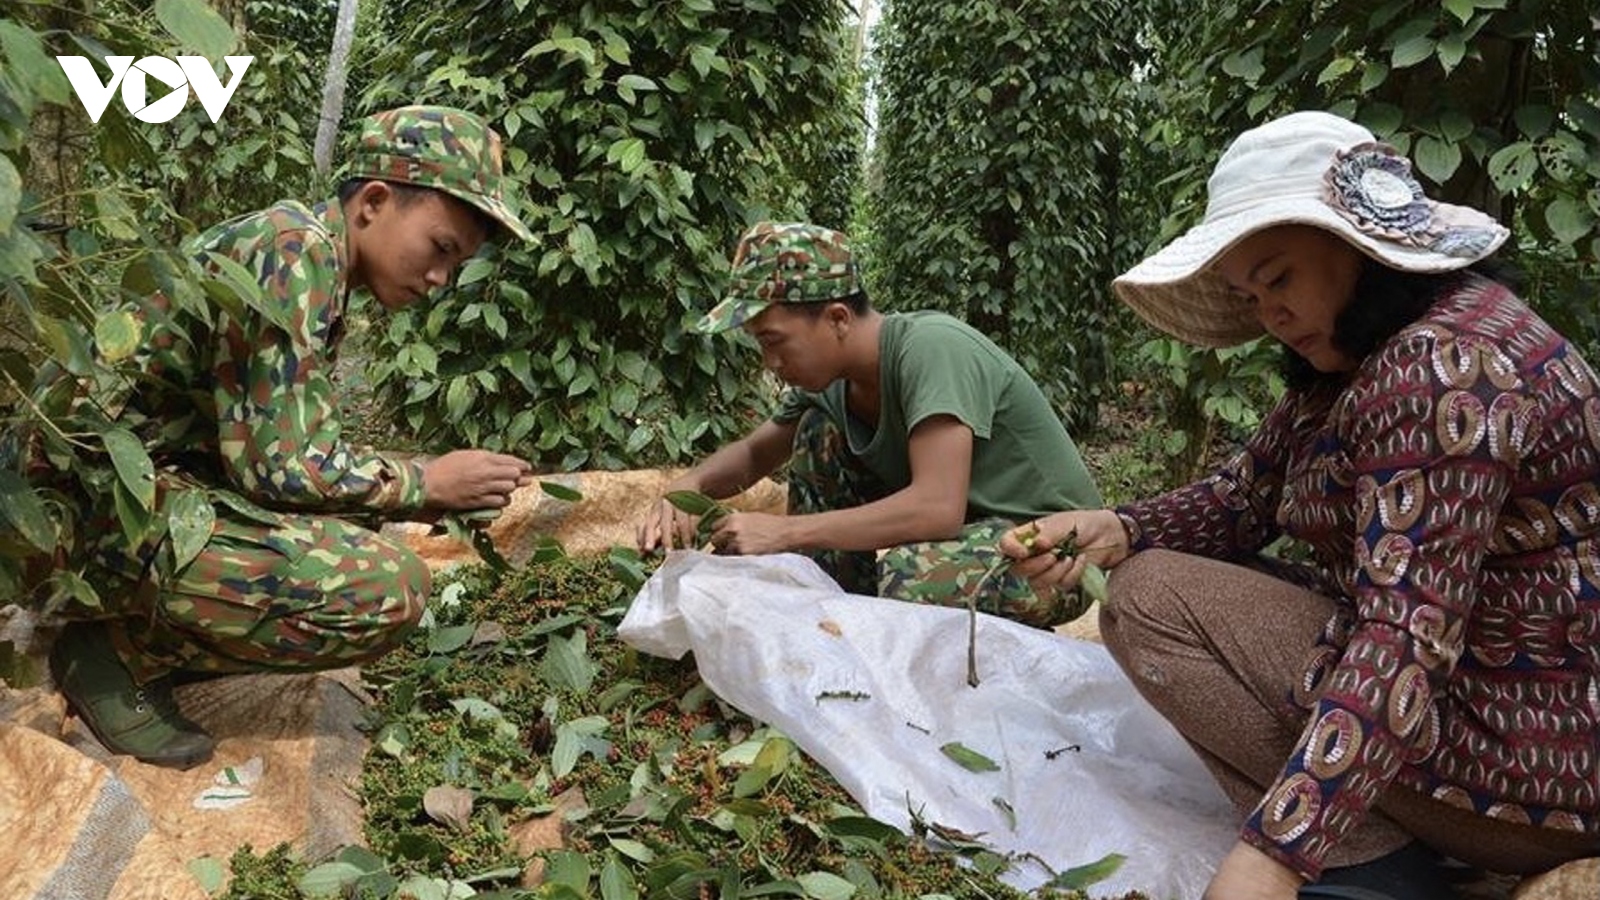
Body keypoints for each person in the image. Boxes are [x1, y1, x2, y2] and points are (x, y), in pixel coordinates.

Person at [1000, 110, 1600, 899]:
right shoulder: (1357, 359)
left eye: (1279, 278)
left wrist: (1277, 853)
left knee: (1150, 603)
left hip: (1538, 768)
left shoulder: (1439, 369)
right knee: (1149, 569)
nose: (1270, 315)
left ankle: (1374, 868)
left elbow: (1408, 636)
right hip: (1513, 727)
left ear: (1362, 250)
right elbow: (1243, 500)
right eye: (1250, 297)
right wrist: (1119, 527)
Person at [40, 105, 537, 769]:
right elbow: (284, 468)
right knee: (388, 589)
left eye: (457, 263)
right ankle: (117, 653)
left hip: (120, 485)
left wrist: (398, 494)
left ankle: (148, 626)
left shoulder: (308, 250)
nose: (441, 279)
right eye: (441, 248)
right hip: (72, 506)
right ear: (375, 201)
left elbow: (272, 447)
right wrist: (425, 482)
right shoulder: (296, 251)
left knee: (350, 532)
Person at [636, 220, 1103, 625]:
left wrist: (784, 532)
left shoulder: (932, 349)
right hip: (970, 535)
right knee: (815, 435)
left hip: (1050, 550)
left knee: (913, 574)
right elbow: (756, 453)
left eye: (776, 341)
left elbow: (937, 508)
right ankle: (838, 620)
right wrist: (684, 490)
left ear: (837, 318)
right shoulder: (830, 385)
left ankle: (987, 662)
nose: (771, 362)